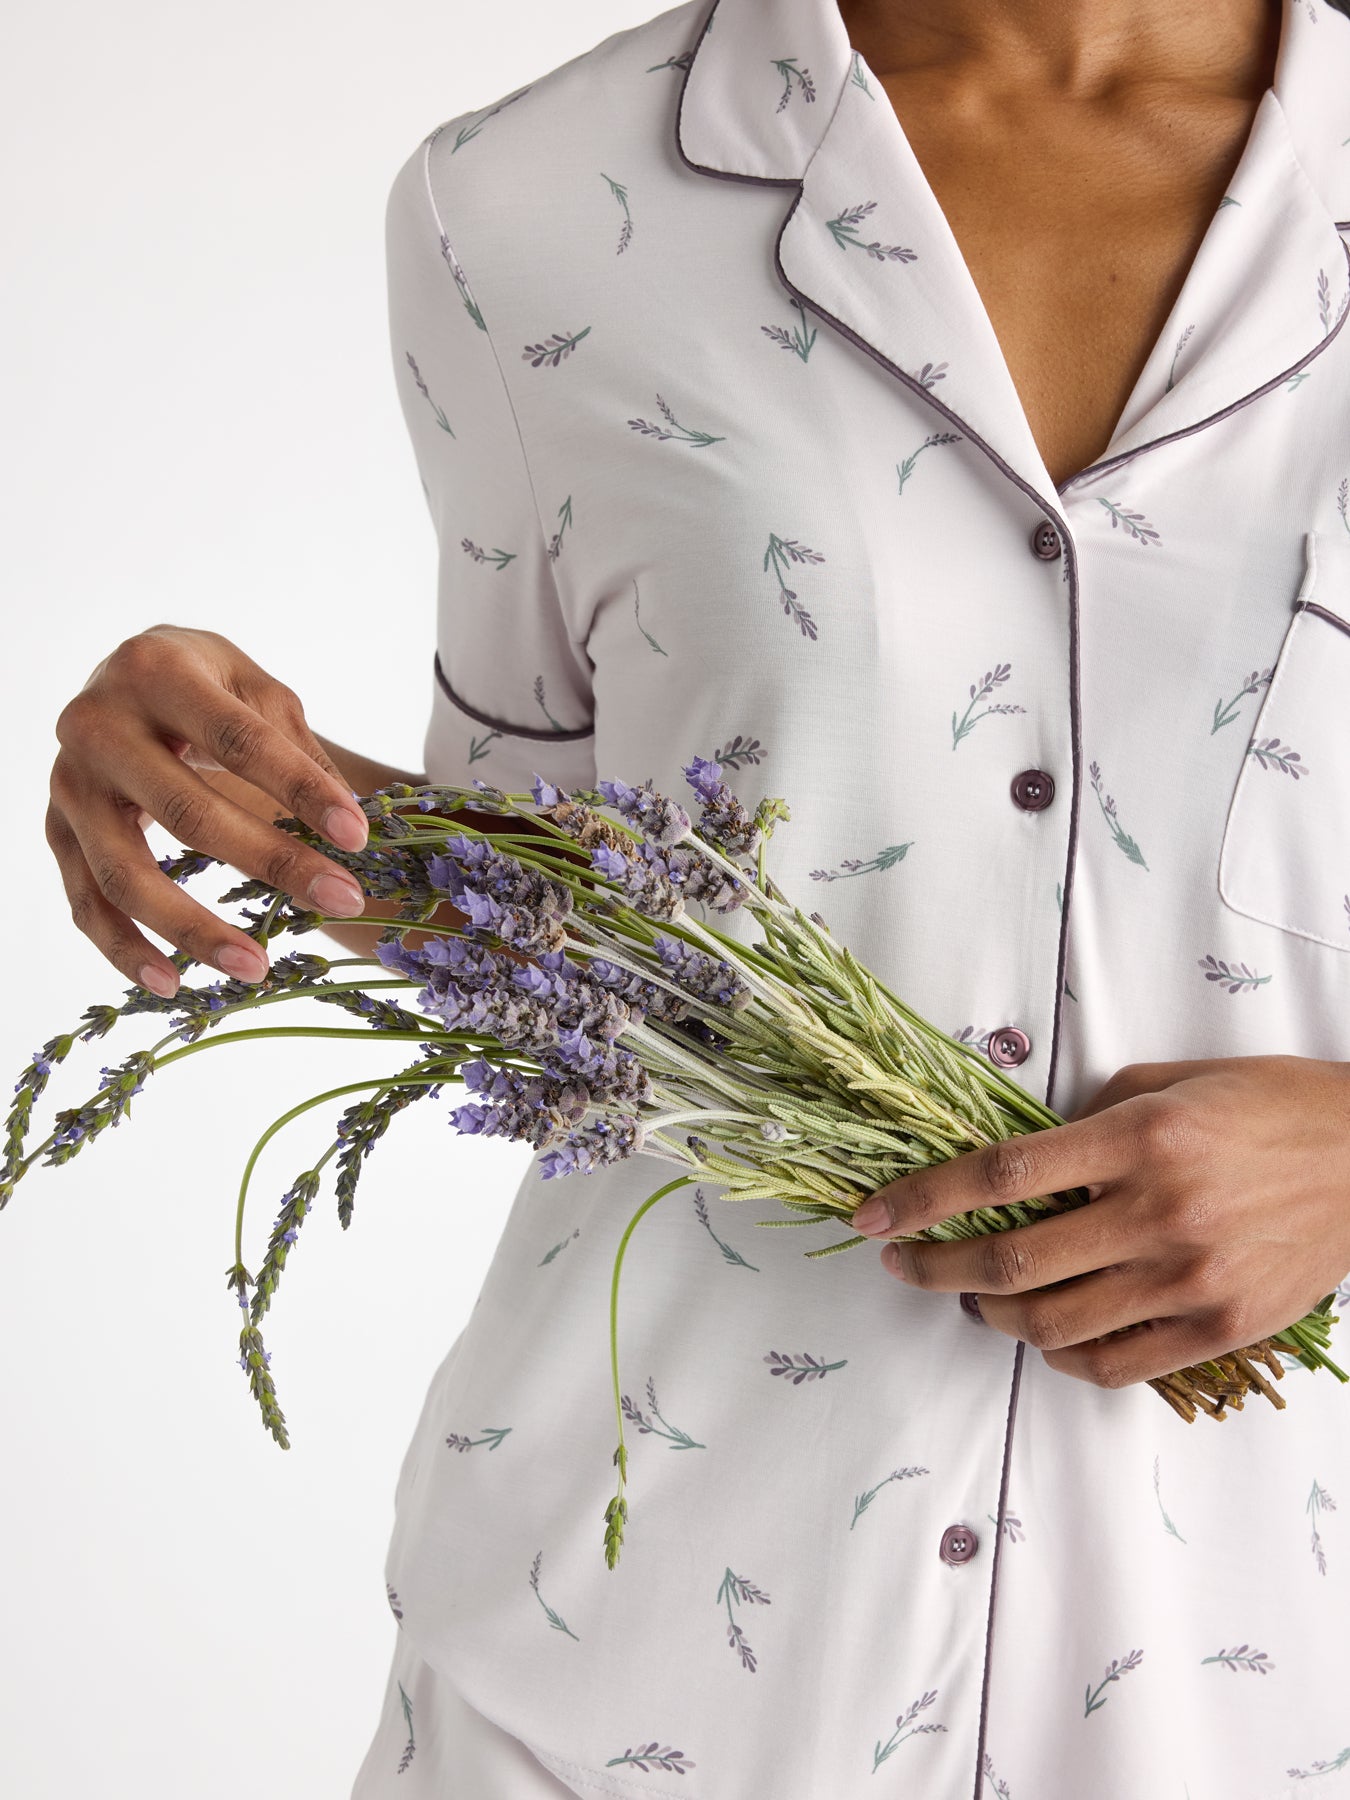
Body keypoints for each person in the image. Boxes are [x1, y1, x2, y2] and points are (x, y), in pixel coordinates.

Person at [44, 0, 1350, 1794]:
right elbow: (574, 926)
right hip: (641, 1656)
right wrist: (248, 785)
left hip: (1258, 1672)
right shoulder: (525, 208)